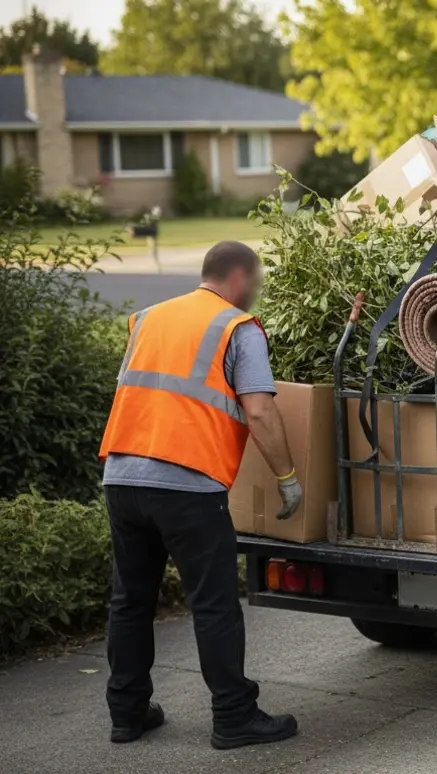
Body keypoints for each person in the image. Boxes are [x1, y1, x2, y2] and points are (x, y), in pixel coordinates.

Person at [98, 241, 302, 749]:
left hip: (123, 475)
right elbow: (259, 411)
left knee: (129, 600)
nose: (255, 292)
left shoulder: (148, 317)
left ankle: (127, 713)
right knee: (213, 605)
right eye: (254, 282)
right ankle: (234, 716)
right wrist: (286, 477)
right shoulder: (237, 327)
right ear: (238, 277)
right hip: (187, 483)